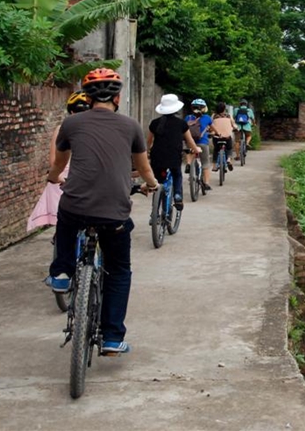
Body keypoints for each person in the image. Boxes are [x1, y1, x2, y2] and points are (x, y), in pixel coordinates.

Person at [45, 68, 159, 356]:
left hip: (76, 207)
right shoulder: (131, 126)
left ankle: (61, 272)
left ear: (88, 96)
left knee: (66, 217)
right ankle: (111, 338)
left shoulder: (72, 125)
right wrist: (152, 184)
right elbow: (144, 168)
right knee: (119, 271)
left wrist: (53, 177)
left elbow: (59, 164)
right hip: (115, 213)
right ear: (118, 97)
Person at [27, 91, 91, 232]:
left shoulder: (97, 130)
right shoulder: (62, 129)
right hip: (65, 179)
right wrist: (57, 177)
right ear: (71, 112)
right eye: (78, 111)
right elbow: (54, 161)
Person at [147, 94, 201, 210]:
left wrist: (147, 152)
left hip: (157, 157)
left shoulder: (154, 123)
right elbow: (190, 141)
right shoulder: (181, 123)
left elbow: (149, 141)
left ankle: (155, 211)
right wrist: (196, 149)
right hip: (174, 157)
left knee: (158, 183)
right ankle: (177, 195)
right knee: (177, 175)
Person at [185, 98, 214, 191]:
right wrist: (213, 133)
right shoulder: (207, 118)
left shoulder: (188, 118)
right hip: (203, 142)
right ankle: (206, 183)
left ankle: (189, 164)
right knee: (205, 163)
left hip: (190, 142)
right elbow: (212, 129)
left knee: (190, 151)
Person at [210, 102, 237, 172]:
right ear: (224, 109)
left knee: (216, 149)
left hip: (217, 137)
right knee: (229, 148)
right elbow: (234, 124)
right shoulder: (228, 116)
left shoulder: (214, 116)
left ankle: (214, 166)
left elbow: (210, 125)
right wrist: (236, 128)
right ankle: (228, 159)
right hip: (227, 137)